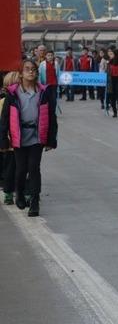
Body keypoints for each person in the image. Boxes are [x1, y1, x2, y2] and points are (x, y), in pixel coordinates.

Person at [0, 59, 59, 217]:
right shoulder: (12, 94)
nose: (31, 72)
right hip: (18, 136)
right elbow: (4, 119)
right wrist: (3, 140)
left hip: (37, 136)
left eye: (33, 69)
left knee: (34, 168)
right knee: (21, 169)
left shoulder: (44, 92)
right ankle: (19, 193)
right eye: (27, 69)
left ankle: (34, 201)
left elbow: (51, 117)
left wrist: (51, 140)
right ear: (21, 74)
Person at [0, 72, 20, 205]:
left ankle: (10, 193)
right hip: (11, 141)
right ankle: (10, 193)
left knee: (11, 168)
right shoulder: (3, 102)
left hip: (15, 141)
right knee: (13, 168)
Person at [106, 48, 118, 118]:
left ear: (116, 55)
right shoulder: (109, 62)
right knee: (112, 96)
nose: (111, 55)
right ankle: (115, 112)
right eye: (110, 54)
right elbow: (107, 72)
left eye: (112, 54)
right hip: (111, 80)